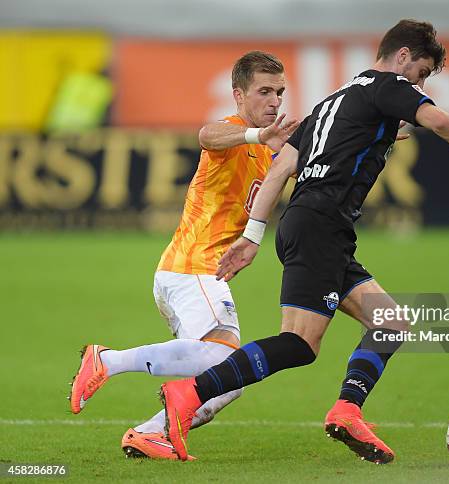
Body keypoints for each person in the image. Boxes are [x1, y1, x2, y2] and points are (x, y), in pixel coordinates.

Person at [159, 19, 449, 464]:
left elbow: (282, 169)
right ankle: (189, 392)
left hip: (319, 229)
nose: (419, 84)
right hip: (320, 226)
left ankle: (347, 410)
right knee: (300, 344)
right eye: (420, 73)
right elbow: (439, 121)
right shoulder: (387, 85)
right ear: (402, 57)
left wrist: (253, 235)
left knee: (391, 323)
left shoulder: (332, 102)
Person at [68, 51, 299, 460]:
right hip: (193, 268)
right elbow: (206, 135)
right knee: (226, 357)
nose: (275, 101)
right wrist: (255, 136)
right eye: (264, 91)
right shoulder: (235, 132)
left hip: (194, 276)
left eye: (279, 92)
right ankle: (108, 360)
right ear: (238, 95)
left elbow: (311, 156)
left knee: (231, 379)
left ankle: (149, 433)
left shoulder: (270, 150)